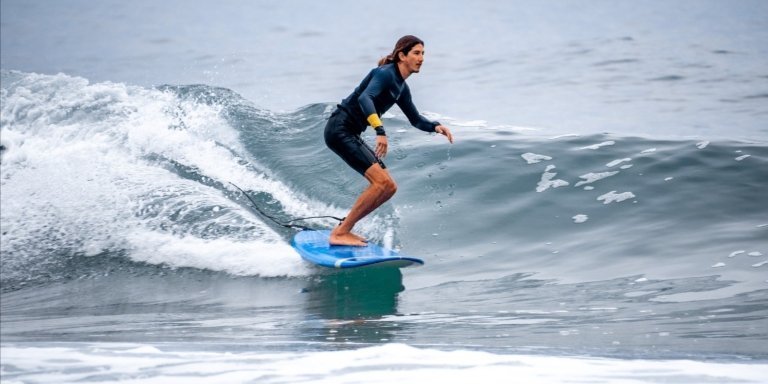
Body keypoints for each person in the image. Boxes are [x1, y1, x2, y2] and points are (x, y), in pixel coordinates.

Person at [324, 35, 454, 246]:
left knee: (389, 187)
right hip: (339, 129)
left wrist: (435, 126)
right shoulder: (384, 74)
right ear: (402, 55)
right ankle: (340, 233)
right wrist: (380, 131)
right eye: (416, 53)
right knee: (381, 182)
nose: (421, 58)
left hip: (350, 133)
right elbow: (365, 98)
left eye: (423, 54)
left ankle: (343, 229)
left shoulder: (401, 87)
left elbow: (415, 119)